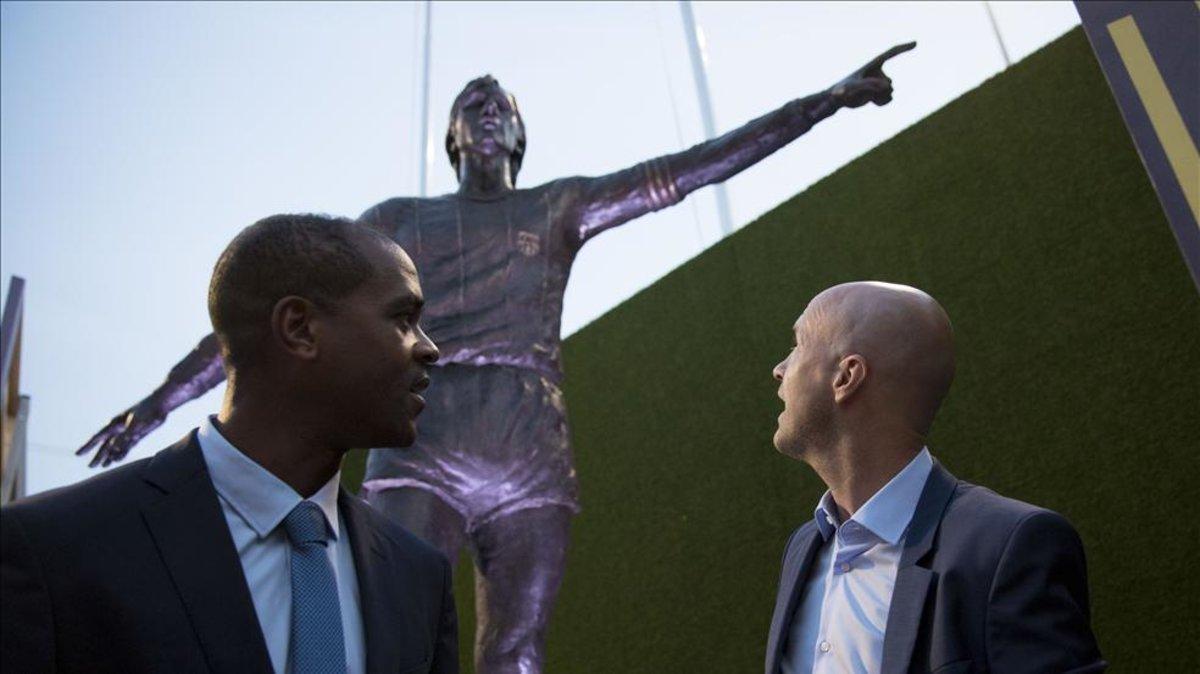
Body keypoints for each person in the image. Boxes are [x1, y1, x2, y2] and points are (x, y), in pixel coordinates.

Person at [75, 44, 915, 673]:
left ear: (517, 132)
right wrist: (159, 400)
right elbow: (271, 299)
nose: (485, 109)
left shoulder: (558, 209)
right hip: (422, 452)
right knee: (386, 638)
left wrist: (821, 103)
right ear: (451, 136)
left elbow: (682, 174)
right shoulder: (395, 222)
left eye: (499, 104)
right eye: (470, 103)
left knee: (515, 656)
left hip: (531, 460)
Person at [2, 214, 457, 674]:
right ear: (299, 328)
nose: (429, 348)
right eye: (403, 319)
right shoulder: (51, 551)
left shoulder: (419, 579)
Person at [764, 281, 1105, 674]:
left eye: (798, 345)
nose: (779, 370)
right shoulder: (803, 547)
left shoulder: (1006, 545)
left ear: (846, 377)